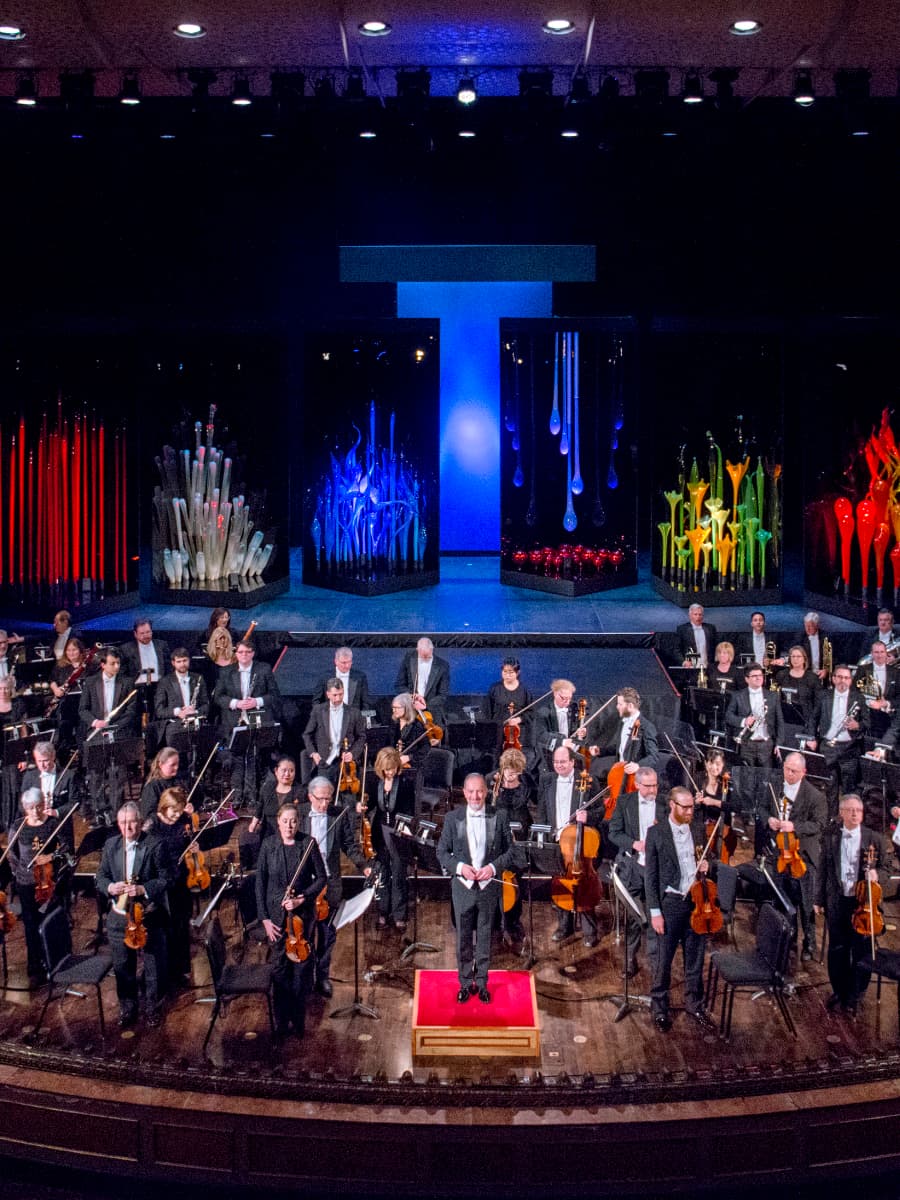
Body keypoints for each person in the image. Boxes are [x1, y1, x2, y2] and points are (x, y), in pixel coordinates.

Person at [436, 773, 514, 1004]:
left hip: (489, 888)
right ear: (464, 792)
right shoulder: (452, 818)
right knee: (463, 938)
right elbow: (441, 853)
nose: (475, 796)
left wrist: (492, 867)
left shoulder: (500, 816)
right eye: (470, 791)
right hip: (463, 888)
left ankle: (481, 983)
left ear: (486, 792)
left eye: (479, 791)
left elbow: (511, 852)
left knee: (484, 936)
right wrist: (460, 867)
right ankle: (463, 982)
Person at [644, 786, 715, 1032]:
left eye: (691, 807)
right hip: (671, 904)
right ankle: (660, 1008)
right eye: (685, 807)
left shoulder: (697, 828)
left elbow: (709, 857)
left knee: (695, 958)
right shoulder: (656, 833)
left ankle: (695, 1004)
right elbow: (650, 877)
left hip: (696, 902)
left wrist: (708, 865)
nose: (689, 812)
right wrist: (655, 912)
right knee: (663, 960)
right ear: (672, 805)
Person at [255, 803, 327, 1038]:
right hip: (276, 919)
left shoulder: (308, 844)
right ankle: (280, 1020)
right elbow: (260, 884)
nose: (289, 826)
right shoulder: (268, 845)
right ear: (278, 822)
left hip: (301, 918)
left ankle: (298, 1020)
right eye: (285, 821)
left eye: (294, 821)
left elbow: (321, 879)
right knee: (279, 971)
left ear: (299, 822)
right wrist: (264, 918)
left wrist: (302, 899)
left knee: (301, 972)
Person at [95, 800, 170, 1027]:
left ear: (140, 823)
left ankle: (152, 1008)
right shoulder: (111, 845)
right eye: (123, 823)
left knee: (153, 966)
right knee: (122, 965)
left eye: (132, 823)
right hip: (120, 916)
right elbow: (101, 877)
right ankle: (128, 1008)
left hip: (148, 914)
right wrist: (110, 887)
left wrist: (143, 889)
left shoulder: (156, 845)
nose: (127, 828)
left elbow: (168, 878)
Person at [297, 776, 371, 998]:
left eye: (328, 799)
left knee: (327, 935)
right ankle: (303, 977)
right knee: (305, 932)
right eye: (320, 799)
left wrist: (363, 866)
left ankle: (322, 977)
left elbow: (349, 844)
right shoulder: (298, 814)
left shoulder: (338, 814)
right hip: (305, 884)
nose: (324, 804)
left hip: (330, 883)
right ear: (310, 797)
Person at [815, 793, 887, 1016]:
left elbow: (888, 869)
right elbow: (824, 870)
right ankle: (839, 989)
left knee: (862, 950)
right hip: (837, 900)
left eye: (859, 810)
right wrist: (818, 900)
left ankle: (855, 994)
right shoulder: (830, 837)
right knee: (837, 948)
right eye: (851, 810)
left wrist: (877, 873)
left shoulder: (874, 839)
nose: (855, 814)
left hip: (863, 904)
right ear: (841, 813)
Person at [764, 751, 827, 962]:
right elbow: (762, 809)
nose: (789, 774)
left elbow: (819, 825)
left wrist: (795, 826)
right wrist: (770, 820)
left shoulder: (815, 796)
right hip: (781, 853)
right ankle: (788, 939)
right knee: (784, 898)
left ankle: (809, 943)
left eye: (794, 771)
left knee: (806, 902)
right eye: (787, 769)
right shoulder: (774, 786)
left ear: (803, 772)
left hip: (802, 856)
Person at [536, 746, 601, 947]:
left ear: (573, 762)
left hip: (579, 841)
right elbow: (543, 811)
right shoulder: (547, 781)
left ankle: (590, 929)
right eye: (556, 762)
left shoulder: (588, 781)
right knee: (561, 882)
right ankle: (566, 926)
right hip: (557, 839)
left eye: (563, 762)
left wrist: (588, 816)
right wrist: (543, 836)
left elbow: (601, 810)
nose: (559, 765)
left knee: (584, 882)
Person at [608, 767, 666, 977]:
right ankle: (629, 959)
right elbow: (614, 833)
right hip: (632, 867)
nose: (653, 790)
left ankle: (656, 966)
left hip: (656, 869)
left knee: (654, 915)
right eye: (648, 786)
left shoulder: (665, 803)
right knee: (633, 917)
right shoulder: (625, 802)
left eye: (655, 785)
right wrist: (634, 844)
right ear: (638, 784)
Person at [8, 788, 67, 984]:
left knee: (49, 920)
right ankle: (35, 966)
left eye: (39, 806)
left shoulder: (52, 824)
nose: (35, 812)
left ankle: (55, 961)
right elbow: (12, 855)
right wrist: (20, 872)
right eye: (31, 808)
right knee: (31, 925)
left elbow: (66, 850)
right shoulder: (18, 826)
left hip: (48, 881)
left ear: (44, 804)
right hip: (26, 883)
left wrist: (50, 857)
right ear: (25, 808)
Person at [77, 649, 137, 826]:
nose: (117, 667)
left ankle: (116, 813)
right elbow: (83, 710)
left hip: (118, 733)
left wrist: (114, 726)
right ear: (103, 664)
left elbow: (131, 712)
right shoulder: (90, 682)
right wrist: (95, 722)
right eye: (112, 663)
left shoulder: (127, 683)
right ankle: (99, 813)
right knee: (96, 776)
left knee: (117, 775)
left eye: (118, 663)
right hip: (96, 733)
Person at [145, 786, 195, 990]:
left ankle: (180, 971)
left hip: (181, 876)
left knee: (182, 925)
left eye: (180, 810)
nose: (177, 815)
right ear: (164, 807)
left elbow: (188, 840)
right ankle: (163, 974)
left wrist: (193, 846)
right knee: (165, 927)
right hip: (162, 881)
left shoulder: (184, 820)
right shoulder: (152, 825)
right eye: (174, 811)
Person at [805, 664, 867, 802]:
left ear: (851, 680)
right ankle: (831, 818)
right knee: (829, 786)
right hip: (828, 747)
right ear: (833, 679)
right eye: (839, 677)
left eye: (846, 678)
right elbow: (813, 718)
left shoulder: (859, 698)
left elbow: (867, 723)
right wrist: (811, 737)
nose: (842, 681)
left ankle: (846, 822)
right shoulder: (823, 696)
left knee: (849, 788)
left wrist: (858, 725)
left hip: (850, 748)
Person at [370, 746, 416, 930]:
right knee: (382, 873)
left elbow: (409, 810)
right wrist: (361, 806)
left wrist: (403, 829)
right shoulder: (376, 783)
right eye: (386, 769)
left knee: (398, 874)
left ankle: (399, 914)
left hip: (398, 833)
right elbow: (372, 803)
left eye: (392, 768)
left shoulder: (405, 783)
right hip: (380, 833)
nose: (389, 772)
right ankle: (383, 911)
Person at [588, 686, 659, 787]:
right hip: (620, 775)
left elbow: (653, 756)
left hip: (635, 780)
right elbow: (622, 747)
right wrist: (601, 751)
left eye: (620, 704)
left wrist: (638, 765)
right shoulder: (623, 723)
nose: (617, 707)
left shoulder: (646, 727)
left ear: (630, 706)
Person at [301, 678, 365, 787]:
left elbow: (361, 737)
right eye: (335, 695)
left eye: (341, 694)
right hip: (324, 762)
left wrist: (353, 753)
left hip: (346, 764)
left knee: (347, 798)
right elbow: (307, 734)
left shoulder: (354, 712)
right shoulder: (318, 710)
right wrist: (314, 753)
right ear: (328, 694)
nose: (338, 698)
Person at [725, 663, 785, 768]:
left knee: (766, 779)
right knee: (747, 778)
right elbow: (728, 716)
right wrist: (744, 721)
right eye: (754, 676)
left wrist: (779, 743)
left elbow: (779, 721)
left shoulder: (773, 696)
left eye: (760, 675)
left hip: (767, 745)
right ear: (747, 679)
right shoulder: (737, 695)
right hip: (747, 744)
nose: (758, 678)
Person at [154, 646, 210, 741]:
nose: (182, 664)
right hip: (175, 725)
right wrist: (178, 712)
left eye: (185, 661)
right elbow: (159, 711)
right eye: (179, 662)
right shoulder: (165, 682)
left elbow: (206, 705)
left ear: (189, 661)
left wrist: (195, 712)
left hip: (195, 722)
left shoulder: (198, 678)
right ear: (173, 663)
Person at [394, 637, 450, 726]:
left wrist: (426, 706)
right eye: (422, 656)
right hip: (410, 712)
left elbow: (442, 695)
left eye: (427, 656)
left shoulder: (443, 665)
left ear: (432, 649)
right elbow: (399, 685)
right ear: (417, 650)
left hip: (432, 714)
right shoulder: (408, 660)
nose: (424, 658)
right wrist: (412, 696)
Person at [484, 657, 534, 753]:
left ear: (517, 672)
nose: (507, 675)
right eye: (504, 672)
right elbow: (488, 711)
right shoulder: (495, 689)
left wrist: (519, 719)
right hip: (498, 732)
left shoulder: (524, 691)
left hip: (518, 735)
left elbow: (531, 713)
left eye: (511, 672)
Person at [248, 756, 303, 842]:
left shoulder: (299, 791)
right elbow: (259, 808)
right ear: (276, 771)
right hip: (268, 833)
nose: (287, 774)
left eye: (291, 771)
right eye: (284, 770)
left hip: (289, 835)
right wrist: (253, 824)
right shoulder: (267, 787)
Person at [854, 640, 900, 738]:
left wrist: (886, 703)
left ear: (886, 653)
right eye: (876, 652)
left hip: (888, 719)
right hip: (867, 717)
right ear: (872, 654)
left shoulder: (896, 672)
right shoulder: (863, 670)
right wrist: (867, 702)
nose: (879, 655)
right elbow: (854, 692)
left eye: (882, 652)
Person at [532, 679, 587, 758]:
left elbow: (576, 730)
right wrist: (562, 742)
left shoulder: (574, 708)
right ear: (555, 694)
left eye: (569, 698)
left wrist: (582, 733)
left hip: (571, 751)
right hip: (550, 754)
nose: (567, 702)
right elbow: (540, 736)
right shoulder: (543, 712)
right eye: (564, 698)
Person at [774, 645, 822, 726]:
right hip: (786, 718)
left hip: (806, 718)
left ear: (804, 659)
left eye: (798, 656)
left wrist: (813, 721)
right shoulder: (781, 675)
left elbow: (818, 702)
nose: (795, 659)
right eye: (793, 656)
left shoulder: (812, 677)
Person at [312, 646, 372, 711]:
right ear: (336, 661)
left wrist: (362, 719)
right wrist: (320, 718)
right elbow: (316, 701)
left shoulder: (360, 677)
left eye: (349, 662)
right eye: (343, 662)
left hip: (354, 719)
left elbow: (366, 703)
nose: (346, 665)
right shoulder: (325, 677)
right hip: (330, 718)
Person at [139, 747, 186, 821]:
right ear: (161, 765)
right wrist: (166, 815)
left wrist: (192, 806)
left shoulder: (180, 780)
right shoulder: (152, 787)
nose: (176, 767)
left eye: (177, 764)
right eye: (172, 765)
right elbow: (148, 816)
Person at [389, 692, 430, 771]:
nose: (393, 710)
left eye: (397, 708)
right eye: (393, 708)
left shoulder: (417, 725)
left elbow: (425, 748)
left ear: (406, 708)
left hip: (413, 767)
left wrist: (409, 757)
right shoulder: (393, 724)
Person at [676, 604, 717, 668]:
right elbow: (676, 649)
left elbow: (715, 646)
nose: (698, 617)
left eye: (700, 614)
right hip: (691, 666)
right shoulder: (682, 629)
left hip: (708, 666)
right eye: (695, 614)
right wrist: (683, 661)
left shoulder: (710, 628)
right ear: (690, 615)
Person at [798, 612, 828, 681]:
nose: (807, 629)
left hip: (822, 675)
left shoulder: (826, 637)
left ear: (817, 625)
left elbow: (833, 658)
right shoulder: (800, 637)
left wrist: (826, 670)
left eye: (810, 626)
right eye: (806, 626)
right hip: (805, 675)